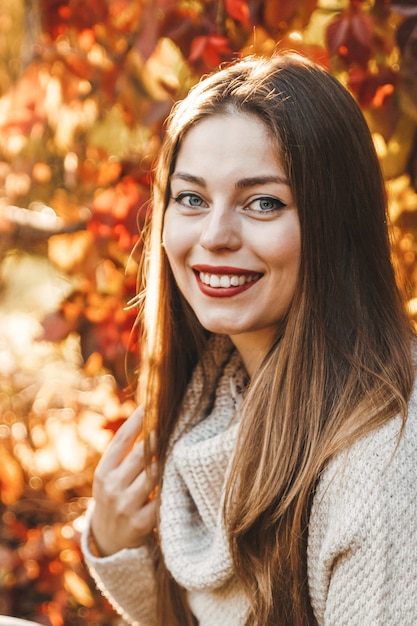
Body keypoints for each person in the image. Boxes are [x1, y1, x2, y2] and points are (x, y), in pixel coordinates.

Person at [81, 52, 417, 626]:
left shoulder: (382, 466)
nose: (214, 235)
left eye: (264, 202)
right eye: (191, 198)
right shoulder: (217, 401)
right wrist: (117, 543)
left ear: (335, 222)